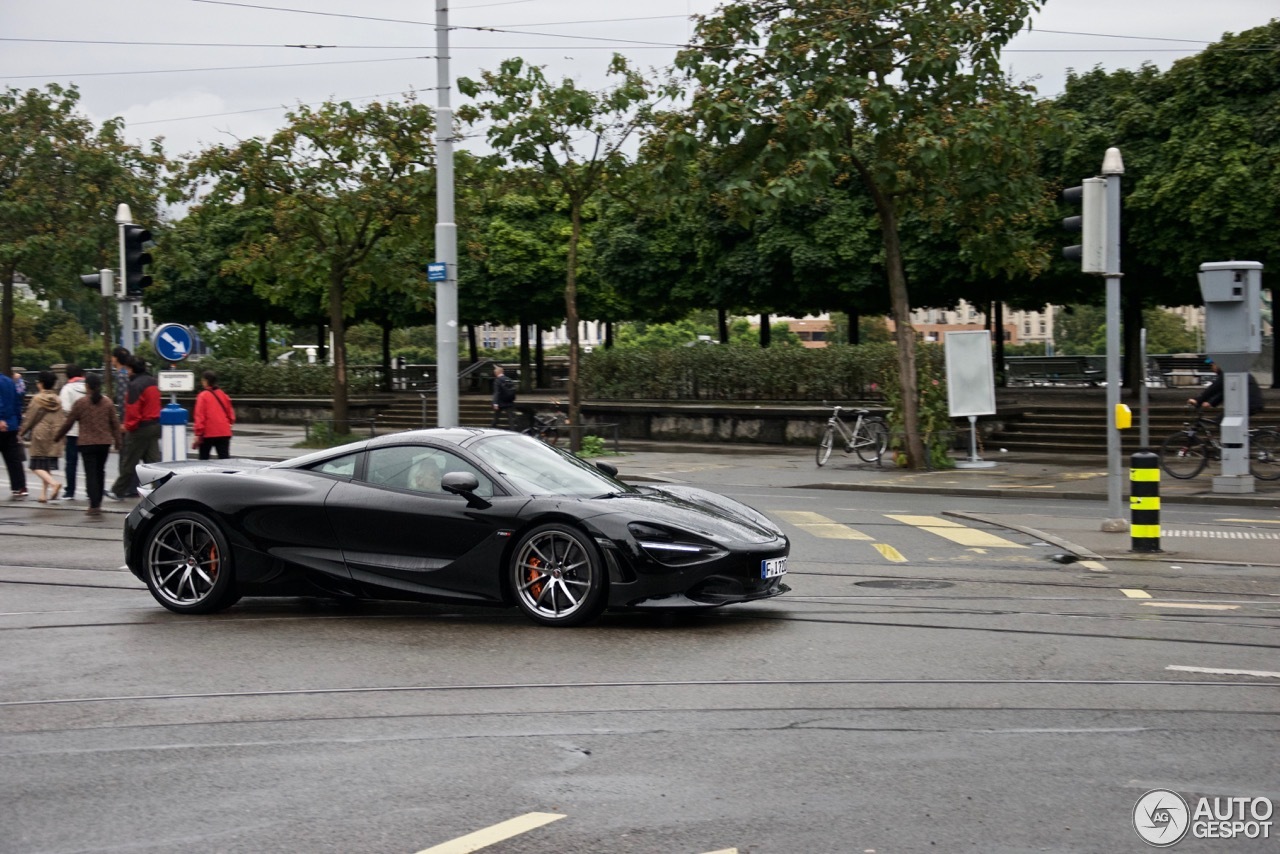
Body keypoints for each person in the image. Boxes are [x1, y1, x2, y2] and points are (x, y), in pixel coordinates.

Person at [54, 373, 121, 518]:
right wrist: (118, 441)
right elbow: (115, 424)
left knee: (90, 473)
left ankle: (93, 505)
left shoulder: (81, 403)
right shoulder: (108, 402)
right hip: (104, 443)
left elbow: (68, 422)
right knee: (100, 472)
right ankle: (99, 502)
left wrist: (58, 437)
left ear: (87, 387)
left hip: (86, 443)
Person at [108, 356, 160, 500]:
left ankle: (118, 490)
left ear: (131, 369)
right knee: (154, 462)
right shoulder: (153, 382)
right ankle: (161, 490)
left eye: (128, 369)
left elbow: (133, 409)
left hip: (140, 428)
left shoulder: (135, 385)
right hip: (154, 425)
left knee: (129, 461)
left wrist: (127, 426)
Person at [17, 371, 67, 503]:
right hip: (54, 434)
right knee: (46, 465)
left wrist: (21, 432)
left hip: (40, 434)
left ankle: (53, 483)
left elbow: (30, 419)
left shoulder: (37, 399)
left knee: (36, 465)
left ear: (41, 384)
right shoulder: (57, 400)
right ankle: (43, 494)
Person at [1188, 360, 1264, 417]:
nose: (1211, 368)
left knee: (1222, 420)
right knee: (1223, 420)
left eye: (1212, 365)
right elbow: (1224, 391)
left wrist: (1198, 400)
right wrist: (1211, 402)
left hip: (1249, 404)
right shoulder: (1232, 371)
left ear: (1218, 364)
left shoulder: (1227, 373)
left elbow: (1213, 388)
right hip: (1249, 403)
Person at [58, 364, 87, 501]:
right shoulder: (89, 388)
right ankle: (90, 490)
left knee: (71, 463)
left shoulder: (67, 389)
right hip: (89, 431)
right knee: (90, 464)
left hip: (73, 432)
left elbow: (65, 410)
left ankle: (70, 491)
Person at [192, 370, 235, 459]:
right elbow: (231, 414)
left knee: (204, 459)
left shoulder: (202, 396)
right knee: (224, 459)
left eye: (203, 380)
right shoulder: (223, 395)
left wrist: (198, 433)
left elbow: (200, 416)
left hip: (208, 433)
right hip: (224, 432)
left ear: (206, 381)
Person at [0, 371, 27, 498]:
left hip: (3, 422)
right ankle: (19, 486)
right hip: (12, 424)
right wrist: (18, 421)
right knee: (13, 457)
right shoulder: (9, 381)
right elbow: (17, 403)